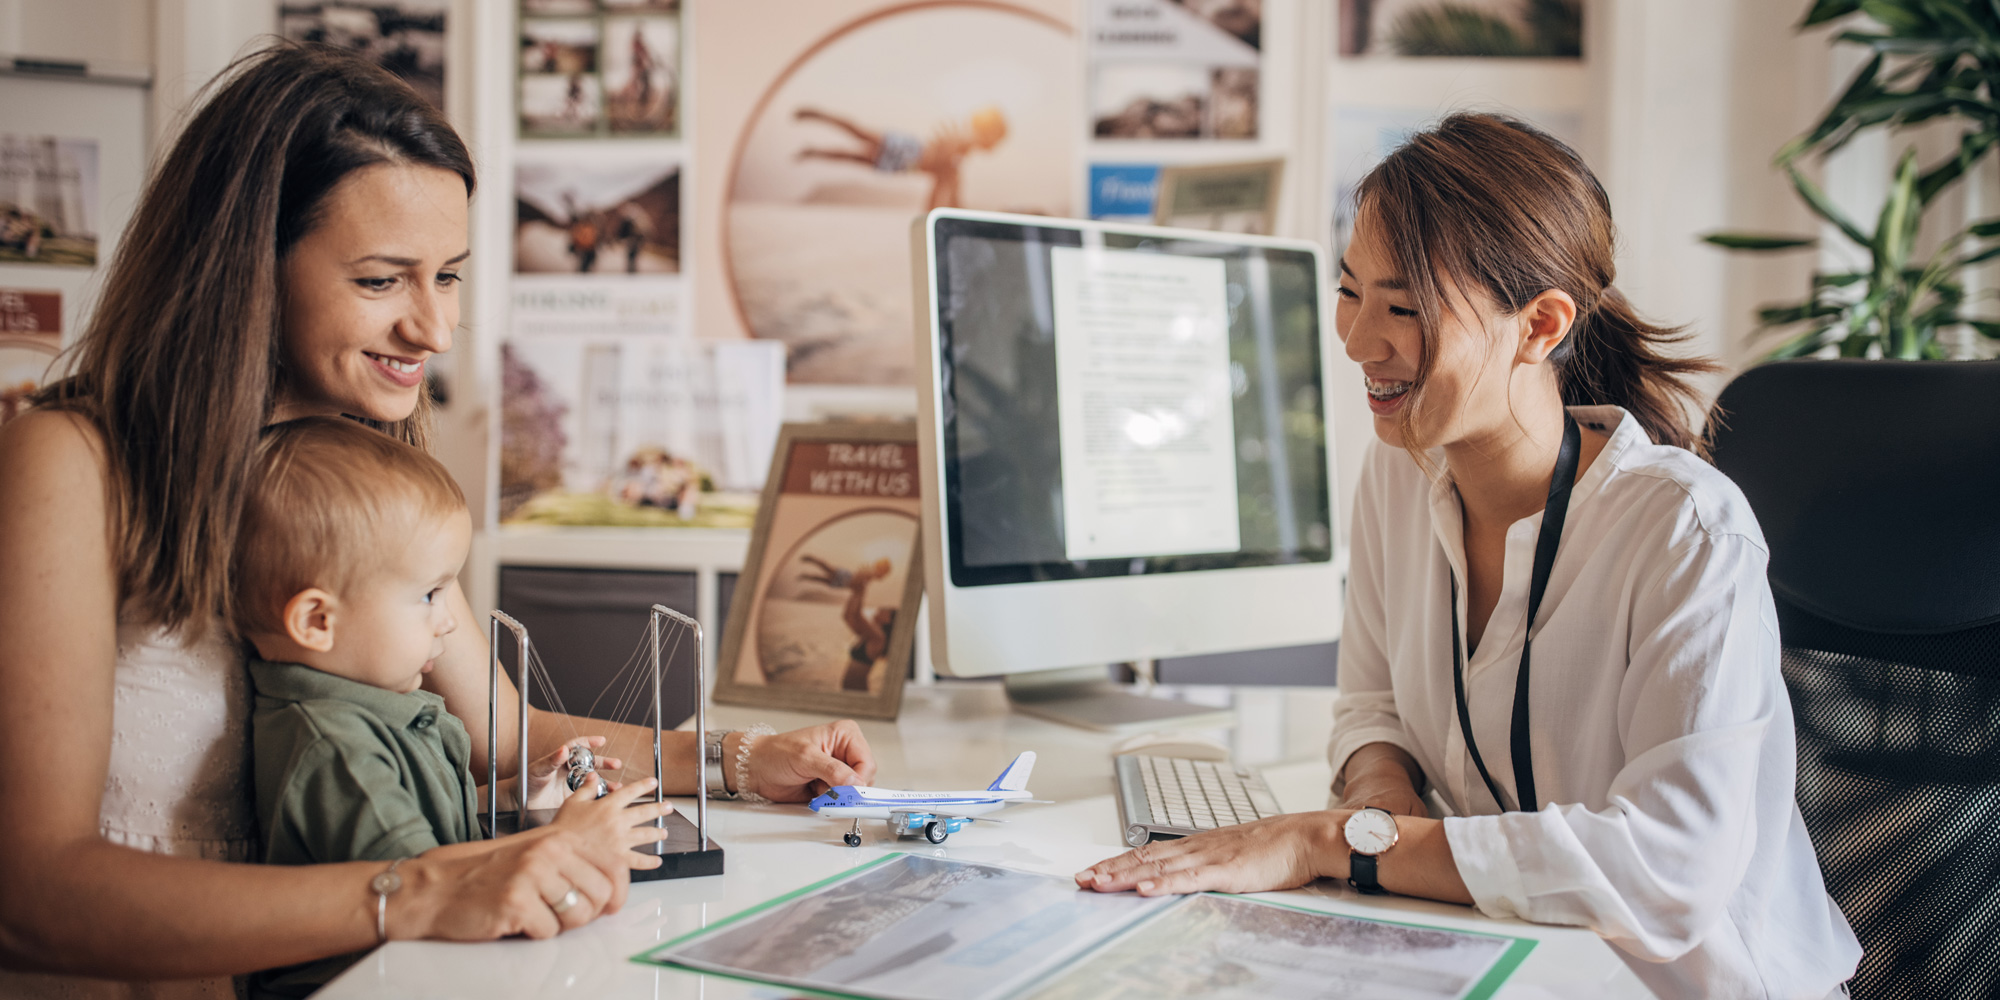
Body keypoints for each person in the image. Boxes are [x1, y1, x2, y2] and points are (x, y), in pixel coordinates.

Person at [0, 42, 876, 995]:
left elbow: (502, 734)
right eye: (382, 281)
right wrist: (427, 891)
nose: (435, 329)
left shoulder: (358, 460)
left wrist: (741, 760)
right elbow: (32, 891)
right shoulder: (71, 463)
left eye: (448, 275)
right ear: (247, 267)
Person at [1075, 113, 1861, 999]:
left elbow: (1668, 869)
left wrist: (1331, 840)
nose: (1359, 340)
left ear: (1541, 325)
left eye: (1405, 306)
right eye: (1350, 290)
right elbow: (1373, 702)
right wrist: (1381, 789)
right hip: (1507, 961)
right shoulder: (1398, 473)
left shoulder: (1686, 532)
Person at [237, 418, 668, 997]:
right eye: (429, 594)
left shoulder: (379, 707)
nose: (448, 619)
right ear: (318, 621)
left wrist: (515, 794)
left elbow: (426, 827)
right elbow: (430, 885)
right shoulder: (335, 748)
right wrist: (564, 842)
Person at [794, 105, 1009, 211]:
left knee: (853, 156)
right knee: (858, 134)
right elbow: (947, 154)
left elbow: (943, 180)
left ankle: (813, 151)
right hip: (909, 152)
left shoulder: (959, 158)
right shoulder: (963, 144)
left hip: (906, 164)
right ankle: (817, 117)